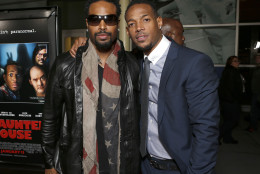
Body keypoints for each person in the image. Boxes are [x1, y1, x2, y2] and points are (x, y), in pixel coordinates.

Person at [41, 0, 140, 174]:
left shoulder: (133, 65)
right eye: (95, 20)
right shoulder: (65, 64)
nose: (102, 26)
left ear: (117, 23)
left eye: (109, 19)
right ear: (87, 23)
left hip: (121, 163)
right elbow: (51, 117)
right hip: (78, 164)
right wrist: (49, 163)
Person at [125, 1, 219, 174]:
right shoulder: (135, 62)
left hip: (178, 167)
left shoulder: (193, 63)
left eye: (145, 20)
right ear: (128, 31)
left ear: (159, 22)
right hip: (144, 165)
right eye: (132, 24)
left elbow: (206, 127)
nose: (138, 27)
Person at [69, 17, 185, 57]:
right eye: (181, 34)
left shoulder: (191, 63)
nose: (184, 38)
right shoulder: (137, 60)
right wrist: (86, 42)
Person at [218, 56, 245, 144]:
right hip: (231, 101)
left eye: (238, 61)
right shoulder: (231, 71)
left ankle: (227, 138)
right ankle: (216, 137)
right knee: (233, 121)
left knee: (228, 120)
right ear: (230, 63)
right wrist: (236, 98)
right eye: (235, 61)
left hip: (228, 100)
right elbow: (232, 88)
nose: (238, 62)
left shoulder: (231, 71)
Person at [247, 54, 260, 132]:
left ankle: (253, 127)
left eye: (259, 57)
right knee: (254, 111)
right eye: (256, 57)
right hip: (255, 93)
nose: (257, 59)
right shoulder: (256, 68)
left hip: (258, 94)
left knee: (254, 111)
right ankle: (253, 126)